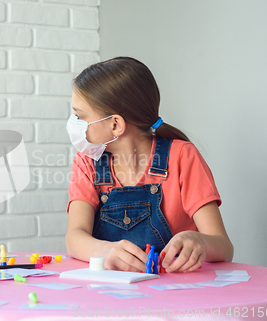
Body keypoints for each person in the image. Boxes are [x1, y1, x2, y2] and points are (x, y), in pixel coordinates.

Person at [65, 57, 233, 273]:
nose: (75, 124)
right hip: (110, 295)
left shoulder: (182, 156)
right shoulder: (86, 162)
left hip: (175, 295)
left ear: (115, 124)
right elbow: (74, 237)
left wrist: (199, 242)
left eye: (80, 116)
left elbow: (224, 248)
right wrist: (104, 250)